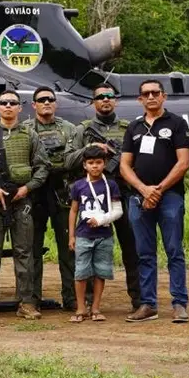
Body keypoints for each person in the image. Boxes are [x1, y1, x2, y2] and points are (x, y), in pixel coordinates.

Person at [0, 89, 50, 321]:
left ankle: (26, 302)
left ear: (20, 107)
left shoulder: (30, 135)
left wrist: (27, 188)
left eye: (12, 103)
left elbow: (43, 166)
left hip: (22, 202)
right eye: (3, 103)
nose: (7, 106)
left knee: (24, 252)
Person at [64, 82, 142, 312]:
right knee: (89, 248)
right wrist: (91, 148)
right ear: (93, 102)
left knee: (132, 249)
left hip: (123, 194)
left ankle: (139, 300)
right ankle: (87, 301)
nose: (105, 100)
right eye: (100, 97)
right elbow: (67, 161)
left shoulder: (130, 128)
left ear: (115, 100)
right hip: (93, 199)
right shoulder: (83, 130)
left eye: (109, 96)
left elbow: (141, 158)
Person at [120, 79, 189, 323]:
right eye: (145, 94)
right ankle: (148, 304)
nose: (151, 97)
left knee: (174, 251)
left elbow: (183, 162)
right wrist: (143, 189)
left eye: (155, 93)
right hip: (138, 198)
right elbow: (124, 165)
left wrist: (158, 190)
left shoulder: (177, 124)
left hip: (169, 196)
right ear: (140, 99)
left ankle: (179, 303)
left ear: (164, 96)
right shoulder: (134, 127)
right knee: (144, 253)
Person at [22, 86, 77, 311]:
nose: (46, 102)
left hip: (62, 192)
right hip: (34, 194)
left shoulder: (69, 129)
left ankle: (73, 297)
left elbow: (73, 159)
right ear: (34, 105)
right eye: (41, 100)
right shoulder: (24, 129)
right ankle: (32, 298)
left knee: (68, 248)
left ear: (56, 104)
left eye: (50, 99)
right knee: (32, 248)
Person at [67, 146, 124, 323]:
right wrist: (72, 235)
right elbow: (73, 210)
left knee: (101, 271)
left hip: (104, 235)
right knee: (81, 272)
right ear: (84, 165)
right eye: (91, 163)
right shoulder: (79, 185)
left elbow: (117, 211)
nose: (95, 166)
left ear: (104, 164)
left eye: (98, 163)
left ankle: (96, 307)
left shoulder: (111, 185)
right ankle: (81, 307)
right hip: (83, 235)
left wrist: (100, 220)